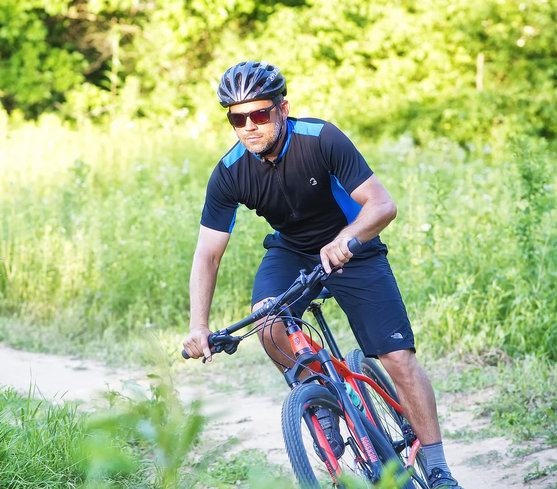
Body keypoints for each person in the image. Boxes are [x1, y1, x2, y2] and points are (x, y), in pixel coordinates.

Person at [181, 60, 464, 489]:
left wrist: (347, 240)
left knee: (397, 358)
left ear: (282, 107)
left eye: (259, 113)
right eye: (237, 118)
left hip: (354, 245)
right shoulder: (230, 171)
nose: (249, 126)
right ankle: (324, 401)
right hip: (292, 250)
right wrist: (198, 326)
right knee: (268, 323)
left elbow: (382, 205)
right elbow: (207, 255)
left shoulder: (321, 138)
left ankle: (439, 467)